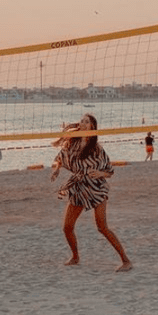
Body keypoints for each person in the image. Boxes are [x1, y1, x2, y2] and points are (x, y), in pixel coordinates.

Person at [50, 114, 132, 272]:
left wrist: (99, 173)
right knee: (67, 227)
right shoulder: (71, 143)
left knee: (102, 227)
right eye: (81, 121)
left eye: (87, 121)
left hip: (96, 188)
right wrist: (56, 170)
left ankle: (126, 260)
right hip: (79, 187)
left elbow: (110, 171)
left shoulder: (97, 148)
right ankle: (75, 257)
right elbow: (59, 159)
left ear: (92, 127)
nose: (83, 123)